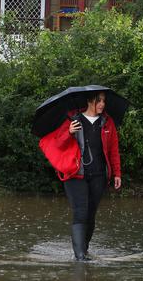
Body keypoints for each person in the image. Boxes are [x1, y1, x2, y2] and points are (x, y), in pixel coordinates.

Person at [40, 91, 121, 261]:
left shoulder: (108, 122)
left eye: (104, 101)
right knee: (80, 213)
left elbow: (113, 149)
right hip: (75, 175)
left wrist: (117, 173)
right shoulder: (72, 119)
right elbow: (59, 143)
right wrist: (68, 132)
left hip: (99, 175)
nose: (102, 105)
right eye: (99, 101)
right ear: (90, 101)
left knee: (91, 215)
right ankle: (80, 257)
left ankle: (83, 250)